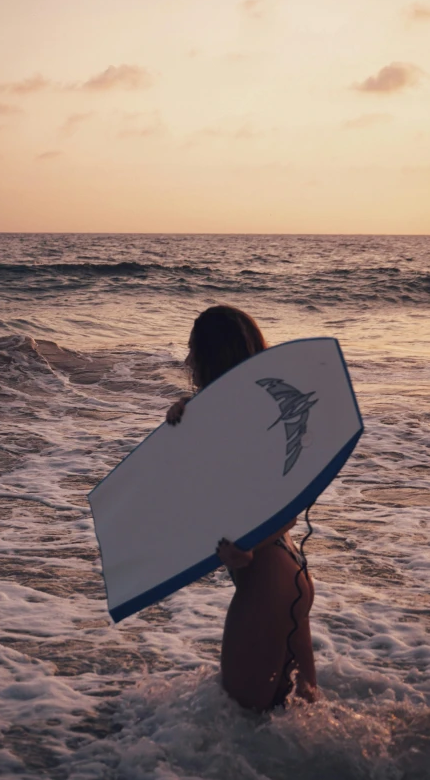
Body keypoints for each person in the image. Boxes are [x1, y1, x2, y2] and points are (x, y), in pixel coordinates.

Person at [166, 305, 317, 711]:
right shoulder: (252, 414)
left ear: (205, 356)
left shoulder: (248, 421)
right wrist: (185, 414)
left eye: (193, 351)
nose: (188, 360)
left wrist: (249, 544)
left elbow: (289, 505)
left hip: (265, 579)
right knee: (301, 712)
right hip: (289, 576)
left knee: (243, 721)